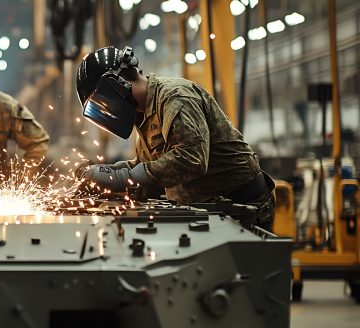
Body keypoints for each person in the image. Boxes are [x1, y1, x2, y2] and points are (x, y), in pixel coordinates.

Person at [75, 46, 275, 229]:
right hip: (206, 209)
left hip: (242, 209)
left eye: (102, 100)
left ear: (116, 84)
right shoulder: (144, 114)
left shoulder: (175, 97)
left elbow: (191, 159)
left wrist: (122, 178)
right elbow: (150, 165)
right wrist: (108, 172)